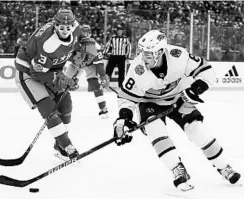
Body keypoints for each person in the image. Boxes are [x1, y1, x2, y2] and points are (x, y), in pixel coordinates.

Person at [113, 30, 241, 191]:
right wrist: (123, 119)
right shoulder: (137, 68)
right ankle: (176, 168)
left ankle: (224, 166)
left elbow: (206, 70)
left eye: (148, 54)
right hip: (150, 102)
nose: (143, 57)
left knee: (198, 131)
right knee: (155, 130)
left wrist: (196, 89)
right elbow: (127, 98)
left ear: (159, 52)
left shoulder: (178, 55)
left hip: (179, 98)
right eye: (142, 52)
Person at [14, 9, 97, 161]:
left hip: (52, 69)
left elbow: (78, 53)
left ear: (73, 25)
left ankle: (59, 146)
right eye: (61, 27)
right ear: (55, 25)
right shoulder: (48, 44)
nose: (65, 31)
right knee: (49, 109)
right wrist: (63, 78)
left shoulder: (76, 28)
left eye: (68, 27)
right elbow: (37, 73)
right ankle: (67, 145)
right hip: (29, 73)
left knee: (66, 106)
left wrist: (80, 64)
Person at [80, 24, 110, 118]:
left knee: (95, 86)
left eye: (87, 32)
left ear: (90, 33)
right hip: (78, 63)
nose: (85, 34)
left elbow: (99, 63)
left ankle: (103, 108)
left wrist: (102, 76)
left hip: (90, 66)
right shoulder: (76, 42)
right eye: (83, 32)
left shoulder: (94, 45)